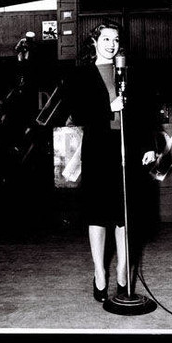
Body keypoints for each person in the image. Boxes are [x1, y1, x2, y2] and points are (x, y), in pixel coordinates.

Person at [64, 22, 156, 303]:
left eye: (115, 39)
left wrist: (149, 146)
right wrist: (108, 107)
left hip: (126, 149)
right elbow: (77, 112)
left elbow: (142, 112)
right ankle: (99, 273)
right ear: (94, 42)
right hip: (98, 150)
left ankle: (122, 273)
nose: (111, 43)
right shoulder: (81, 74)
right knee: (97, 214)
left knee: (124, 215)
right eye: (106, 38)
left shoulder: (127, 72)